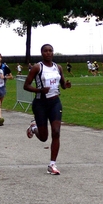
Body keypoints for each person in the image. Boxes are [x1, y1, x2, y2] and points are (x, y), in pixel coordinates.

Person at [23, 44, 71, 175]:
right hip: (40, 104)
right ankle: (34, 128)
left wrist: (66, 85)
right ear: (41, 53)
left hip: (55, 103)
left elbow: (62, 85)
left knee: (56, 132)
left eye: (50, 51)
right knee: (44, 137)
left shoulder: (58, 67)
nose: (48, 53)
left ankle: (52, 164)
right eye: (45, 51)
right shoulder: (37, 67)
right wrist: (39, 90)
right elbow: (26, 86)